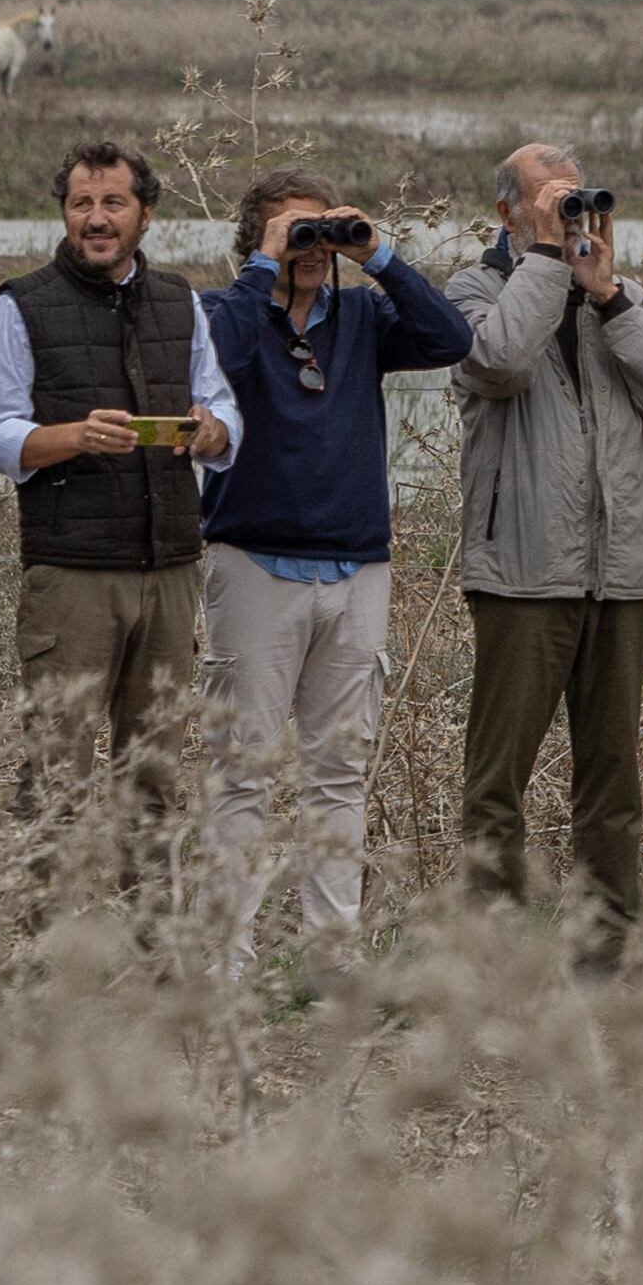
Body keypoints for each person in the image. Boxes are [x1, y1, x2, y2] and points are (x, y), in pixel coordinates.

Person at [195, 168, 476, 943]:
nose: (314, 247)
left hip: (358, 567)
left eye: (324, 232)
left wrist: (378, 254)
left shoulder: (361, 317)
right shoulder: (226, 310)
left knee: (339, 772)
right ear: (257, 241)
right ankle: (224, 951)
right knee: (241, 767)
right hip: (253, 562)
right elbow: (215, 360)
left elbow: (451, 338)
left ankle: (331, 947)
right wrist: (264, 268)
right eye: (297, 234)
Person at [451, 144, 643, 961]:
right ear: (508, 213)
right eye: (550, 201)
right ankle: (490, 956)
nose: (571, 216)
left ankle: (608, 949)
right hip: (524, 573)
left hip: (620, 573)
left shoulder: (610, 296)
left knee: (612, 782)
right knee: (498, 780)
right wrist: (544, 261)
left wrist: (608, 297)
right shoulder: (476, 290)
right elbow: (497, 361)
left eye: (577, 201)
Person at [0, 141, 238, 903]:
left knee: (154, 771)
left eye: (112, 204)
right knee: (57, 771)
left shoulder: (181, 300)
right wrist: (72, 438)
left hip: (171, 569)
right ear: (64, 213)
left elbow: (219, 405)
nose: (95, 219)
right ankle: (47, 953)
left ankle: (152, 947)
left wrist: (213, 433)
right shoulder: (19, 304)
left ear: (145, 214)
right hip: (72, 574)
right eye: (81, 204)